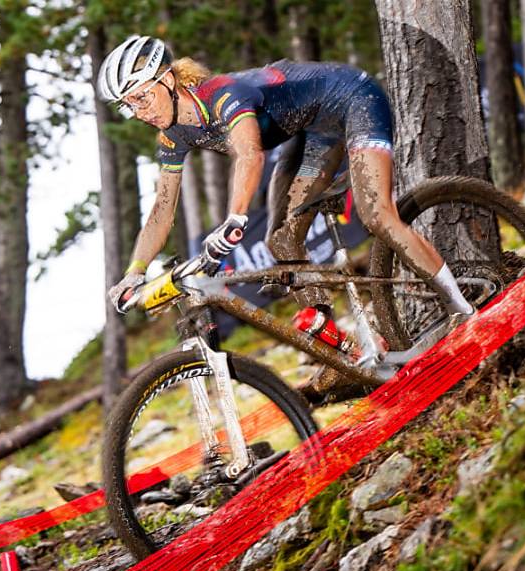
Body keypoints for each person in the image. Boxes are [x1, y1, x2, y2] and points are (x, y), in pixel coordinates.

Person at [100, 35, 473, 350]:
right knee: (282, 241)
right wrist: (135, 272)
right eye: (128, 105)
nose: (138, 111)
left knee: (377, 214)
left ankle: (464, 309)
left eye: (142, 97)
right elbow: (162, 210)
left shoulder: (221, 94)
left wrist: (234, 219)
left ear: (167, 80)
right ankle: (353, 352)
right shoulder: (172, 134)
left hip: (353, 99)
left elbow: (250, 154)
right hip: (314, 132)